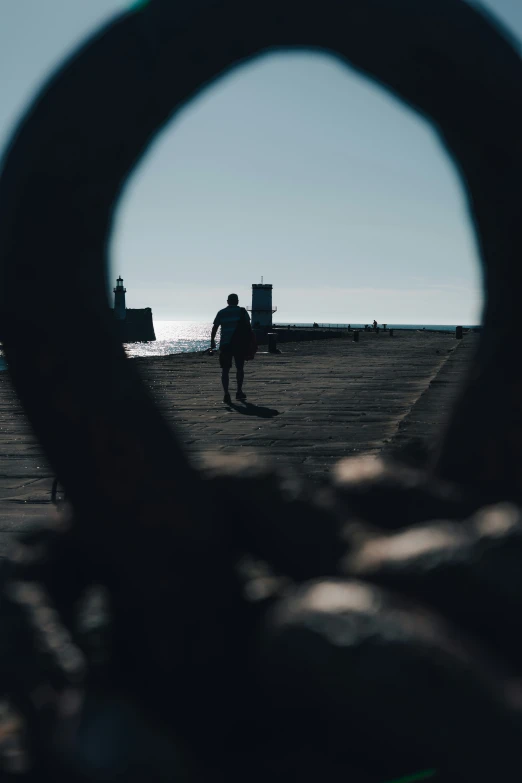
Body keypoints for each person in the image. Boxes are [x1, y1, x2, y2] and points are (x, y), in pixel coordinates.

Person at [210, 293, 251, 404]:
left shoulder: (221, 312)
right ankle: (239, 391)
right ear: (237, 301)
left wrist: (212, 341)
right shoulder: (242, 312)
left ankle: (226, 394)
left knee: (225, 370)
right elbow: (248, 327)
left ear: (227, 301)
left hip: (225, 345)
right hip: (239, 344)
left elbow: (215, 327)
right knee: (240, 369)